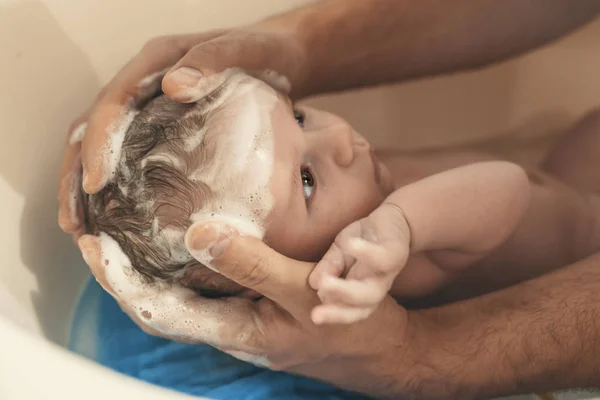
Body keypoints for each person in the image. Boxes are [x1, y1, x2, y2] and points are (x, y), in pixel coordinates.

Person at [60, 1, 600, 399]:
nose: (339, 138)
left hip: (564, 174)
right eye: (307, 180)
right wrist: (405, 226)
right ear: (273, 274)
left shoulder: (355, 198)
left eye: (298, 117)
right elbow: (506, 189)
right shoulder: (387, 261)